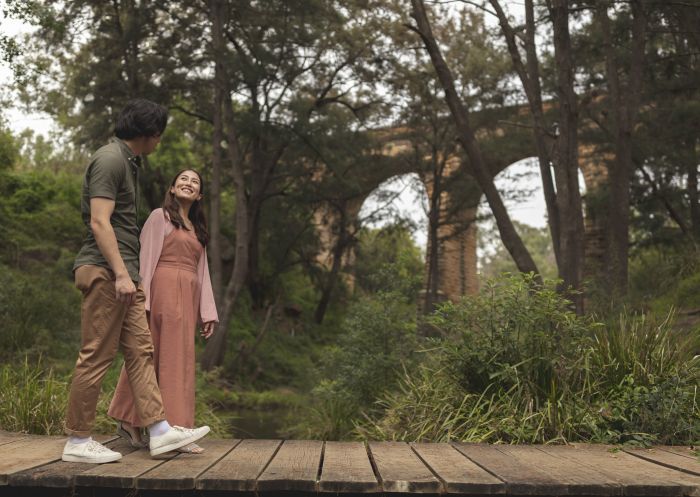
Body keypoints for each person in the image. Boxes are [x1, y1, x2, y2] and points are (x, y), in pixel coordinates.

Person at [62, 99, 210, 464]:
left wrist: (131, 275)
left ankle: (159, 431)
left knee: (142, 354)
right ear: (150, 134)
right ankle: (78, 441)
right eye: (159, 136)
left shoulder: (128, 163)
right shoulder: (110, 159)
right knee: (97, 354)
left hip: (126, 274)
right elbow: (100, 221)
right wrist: (123, 274)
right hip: (107, 271)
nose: (159, 142)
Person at [108, 168, 218, 454]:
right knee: (151, 355)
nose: (188, 183)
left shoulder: (198, 229)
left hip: (188, 297)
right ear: (172, 188)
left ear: (200, 195)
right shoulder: (160, 217)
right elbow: (145, 257)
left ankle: (172, 428)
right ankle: (154, 424)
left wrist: (207, 312)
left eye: (195, 182)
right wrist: (139, 300)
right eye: (183, 179)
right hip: (162, 293)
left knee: (179, 360)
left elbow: (203, 271)